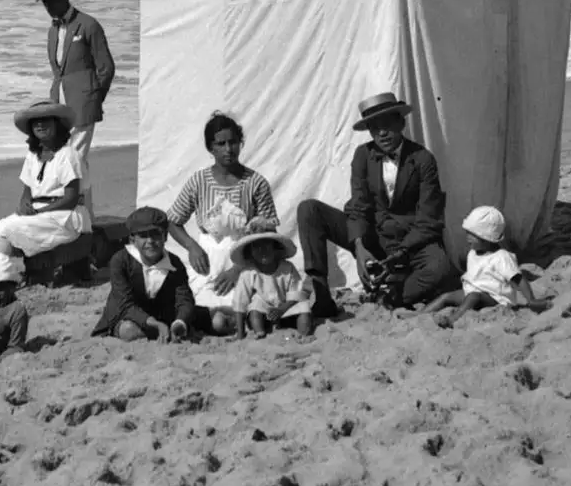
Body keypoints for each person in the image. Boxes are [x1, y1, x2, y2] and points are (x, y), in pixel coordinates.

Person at [296, 91, 454, 313]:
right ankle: (321, 292)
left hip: (409, 242)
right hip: (373, 238)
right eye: (374, 127)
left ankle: (390, 297)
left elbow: (429, 219)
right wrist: (360, 247)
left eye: (388, 123)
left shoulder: (423, 159)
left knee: (440, 268)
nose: (382, 133)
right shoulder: (363, 155)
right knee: (309, 209)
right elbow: (359, 207)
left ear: (401, 122)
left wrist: (401, 252)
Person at [0, 100, 90, 298]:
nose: (40, 125)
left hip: (66, 217)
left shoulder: (68, 154)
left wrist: (39, 211)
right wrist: (25, 204)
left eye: (46, 120)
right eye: (36, 122)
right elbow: (27, 190)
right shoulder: (33, 155)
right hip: (39, 214)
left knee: (5, 232)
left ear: (58, 125)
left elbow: (71, 198)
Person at [165, 111, 281, 332]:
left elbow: (268, 234)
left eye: (233, 142)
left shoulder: (256, 183)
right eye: (221, 144)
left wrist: (238, 269)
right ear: (211, 148)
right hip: (207, 260)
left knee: (243, 311)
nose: (228, 149)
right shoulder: (198, 181)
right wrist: (192, 247)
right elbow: (173, 221)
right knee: (199, 307)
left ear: (241, 143)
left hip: (247, 259)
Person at [35, 0, 114, 207]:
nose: (47, 7)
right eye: (44, 3)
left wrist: (93, 98)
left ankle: (74, 211)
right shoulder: (52, 31)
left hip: (83, 103)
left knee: (74, 159)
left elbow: (106, 67)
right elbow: (58, 70)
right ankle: (85, 214)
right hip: (58, 104)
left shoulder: (88, 25)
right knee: (70, 160)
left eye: (50, 1)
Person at [423, 206, 551, 327]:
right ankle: (420, 314)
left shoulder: (501, 257)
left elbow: (518, 279)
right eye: (467, 233)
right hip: (472, 292)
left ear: (486, 238)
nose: (468, 238)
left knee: (473, 297)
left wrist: (531, 300)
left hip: (496, 298)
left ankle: (452, 320)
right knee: (447, 297)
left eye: (472, 235)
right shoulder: (473, 253)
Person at [92, 207, 195, 342]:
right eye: (143, 236)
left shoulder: (175, 263)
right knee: (129, 331)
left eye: (155, 234)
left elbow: (184, 299)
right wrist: (154, 324)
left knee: (219, 322)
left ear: (165, 236)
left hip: (165, 317)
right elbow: (125, 304)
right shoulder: (121, 261)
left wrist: (179, 322)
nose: (150, 241)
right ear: (132, 240)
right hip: (129, 317)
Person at [226, 232, 315, 341]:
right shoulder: (248, 273)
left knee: (304, 308)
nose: (262, 250)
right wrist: (240, 334)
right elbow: (240, 302)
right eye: (256, 247)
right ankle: (260, 333)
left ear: (275, 247)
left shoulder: (288, 268)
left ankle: (303, 335)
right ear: (250, 253)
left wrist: (281, 309)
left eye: (266, 245)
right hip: (264, 311)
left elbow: (296, 293)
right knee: (254, 309)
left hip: (285, 307)